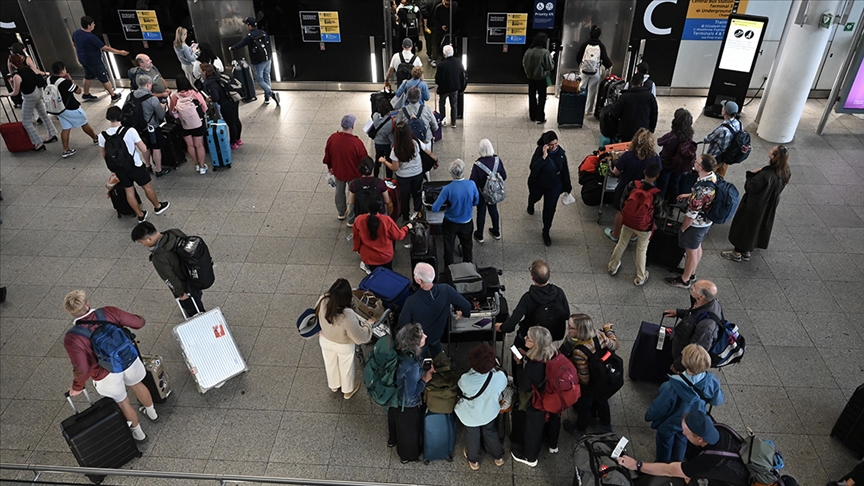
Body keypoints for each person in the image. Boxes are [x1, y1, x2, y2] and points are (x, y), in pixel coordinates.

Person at [63, 289, 158, 442]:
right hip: (128, 359)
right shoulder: (108, 312)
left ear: (71, 313)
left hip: (105, 373)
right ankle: (152, 413)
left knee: (122, 402)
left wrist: (77, 387)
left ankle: (139, 434)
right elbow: (138, 323)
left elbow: (82, 368)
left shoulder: (73, 338)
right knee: (137, 384)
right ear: (87, 304)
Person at [619, 410, 748, 485]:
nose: (682, 433)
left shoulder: (710, 460)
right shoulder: (721, 429)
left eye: (686, 433)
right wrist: (692, 472)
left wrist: (637, 465)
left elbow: (669, 470)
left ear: (699, 439)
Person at [645, 344, 724, 463]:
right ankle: (677, 462)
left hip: (671, 422)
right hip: (692, 422)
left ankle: (662, 465)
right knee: (683, 438)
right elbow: (717, 400)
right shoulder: (712, 380)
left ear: (685, 363)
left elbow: (660, 407)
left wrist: (649, 416)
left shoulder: (672, 386)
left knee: (664, 442)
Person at [99, 106, 170, 223]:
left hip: (120, 169)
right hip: (135, 166)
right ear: (121, 116)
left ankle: (140, 215)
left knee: (129, 191)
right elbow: (143, 148)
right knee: (147, 187)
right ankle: (157, 207)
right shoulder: (130, 131)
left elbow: (104, 155)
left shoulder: (103, 136)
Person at [722, 145, 791, 262]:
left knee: (745, 227)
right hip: (769, 206)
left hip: (754, 205)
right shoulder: (785, 172)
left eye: (771, 150)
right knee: (757, 228)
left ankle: (737, 252)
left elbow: (750, 188)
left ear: (774, 156)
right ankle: (748, 251)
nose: (769, 150)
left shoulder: (766, 174)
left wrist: (752, 175)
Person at [560, 314, 619, 438]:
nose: (567, 329)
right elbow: (615, 345)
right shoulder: (599, 335)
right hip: (604, 377)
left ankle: (580, 430)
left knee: (584, 405)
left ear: (580, 330)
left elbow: (585, 378)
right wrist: (608, 330)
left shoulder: (579, 351)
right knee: (602, 400)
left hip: (591, 384)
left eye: (571, 327)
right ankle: (605, 426)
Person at [665, 154, 718, 289]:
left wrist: (683, 227)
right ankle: (691, 272)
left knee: (690, 252)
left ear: (700, 167)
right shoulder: (712, 177)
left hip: (697, 223)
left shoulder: (701, 190)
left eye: (697, 161)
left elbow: (692, 214)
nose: (694, 162)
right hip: (706, 221)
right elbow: (705, 196)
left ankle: (685, 280)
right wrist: (689, 195)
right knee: (696, 247)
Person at [511, 326, 561, 468]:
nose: (525, 338)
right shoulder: (553, 352)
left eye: (529, 338)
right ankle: (552, 445)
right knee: (552, 419)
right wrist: (527, 354)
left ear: (536, 344)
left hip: (538, 402)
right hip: (553, 395)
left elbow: (523, 385)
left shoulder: (533, 367)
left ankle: (530, 457)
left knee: (533, 428)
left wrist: (519, 364)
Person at [495, 260, 570, 354]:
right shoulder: (559, 292)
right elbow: (566, 315)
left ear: (532, 277)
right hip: (549, 337)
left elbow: (512, 323)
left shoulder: (528, 298)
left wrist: (502, 327)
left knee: (515, 350)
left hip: (528, 337)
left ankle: (517, 363)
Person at [131, 222, 204, 318]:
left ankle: (200, 318)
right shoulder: (174, 232)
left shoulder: (158, 258)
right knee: (197, 296)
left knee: (194, 308)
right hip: (195, 275)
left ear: (149, 239)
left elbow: (169, 278)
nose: (143, 245)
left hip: (184, 286)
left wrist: (181, 294)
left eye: (141, 242)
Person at [316, 278, 374, 399]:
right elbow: (360, 337)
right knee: (346, 367)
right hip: (343, 345)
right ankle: (348, 390)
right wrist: (368, 324)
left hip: (325, 339)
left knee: (330, 363)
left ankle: (333, 385)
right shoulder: (347, 314)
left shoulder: (323, 300)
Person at [607, 161, 663, 286]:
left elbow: (623, 203)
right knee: (641, 249)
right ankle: (640, 277)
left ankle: (612, 266)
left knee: (622, 243)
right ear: (657, 176)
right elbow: (659, 214)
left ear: (644, 172)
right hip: (644, 227)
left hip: (628, 221)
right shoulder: (656, 194)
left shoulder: (633, 184)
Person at [398, 262, 471, 358]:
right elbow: (467, 306)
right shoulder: (446, 290)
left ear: (418, 280)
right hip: (437, 334)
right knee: (436, 351)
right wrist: (462, 314)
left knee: (421, 358)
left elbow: (403, 325)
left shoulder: (411, 301)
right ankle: (438, 361)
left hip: (420, 339)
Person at [454, 343, 507, 470]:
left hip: (470, 416)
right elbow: (502, 385)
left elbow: (461, 389)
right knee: (490, 431)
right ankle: (498, 457)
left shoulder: (465, 379)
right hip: (489, 412)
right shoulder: (499, 377)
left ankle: (474, 460)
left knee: (472, 435)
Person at [604, 128, 662, 242]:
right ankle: (633, 236)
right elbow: (658, 171)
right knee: (640, 212)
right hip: (646, 190)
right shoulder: (655, 158)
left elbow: (616, 171)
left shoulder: (628, 156)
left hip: (626, 187)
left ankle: (615, 234)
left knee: (621, 211)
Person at [392, 323, 435, 463]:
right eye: (422, 336)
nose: (425, 336)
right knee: (409, 432)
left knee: (396, 423)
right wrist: (425, 379)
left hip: (395, 396)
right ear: (415, 344)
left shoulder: (401, 351)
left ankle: (392, 440)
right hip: (407, 405)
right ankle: (407, 456)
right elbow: (411, 395)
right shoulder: (412, 367)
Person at [664, 280, 722, 373]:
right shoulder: (707, 303)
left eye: (694, 287)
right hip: (681, 344)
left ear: (701, 297)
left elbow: (695, 352)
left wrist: (678, 365)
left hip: (681, 355)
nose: (691, 287)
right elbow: (695, 314)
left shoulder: (706, 326)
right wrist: (680, 313)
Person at [527, 131, 572, 246]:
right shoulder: (539, 151)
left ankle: (546, 231)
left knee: (550, 208)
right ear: (546, 144)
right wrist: (543, 157)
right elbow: (533, 168)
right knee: (535, 197)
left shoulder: (561, 154)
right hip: (538, 183)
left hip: (554, 185)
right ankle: (531, 203)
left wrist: (568, 187)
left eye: (556, 144)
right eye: (551, 145)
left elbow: (565, 171)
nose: (554, 147)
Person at [432, 159, 480, 266]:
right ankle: (468, 266)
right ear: (464, 170)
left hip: (450, 223)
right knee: (467, 245)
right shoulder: (471, 184)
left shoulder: (447, 189)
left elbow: (435, 208)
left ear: (451, 173)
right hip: (467, 222)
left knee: (448, 246)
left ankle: (449, 268)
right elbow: (476, 201)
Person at [48, 61, 99, 158]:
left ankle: (66, 150)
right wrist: (71, 80)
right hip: (71, 108)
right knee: (84, 122)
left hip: (59, 109)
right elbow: (79, 91)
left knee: (66, 128)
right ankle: (96, 138)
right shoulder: (65, 83)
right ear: (63, 70)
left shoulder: (49, 79)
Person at [7, 55, 58, 152]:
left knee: (26, 122)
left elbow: (15, 92)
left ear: (11, 63)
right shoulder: (27, 69)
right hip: (37, 93)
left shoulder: (16, 76)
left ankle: (37, 142)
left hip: (29, 97)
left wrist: (6, 94)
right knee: (43, 115)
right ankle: (52, 134)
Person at [323, 114, 367, 223]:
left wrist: (330, 167)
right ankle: (351, 219)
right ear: (352, 126)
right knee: (353, 194)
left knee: (339, 192)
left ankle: (341, 212)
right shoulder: (357, 142)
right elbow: (364, 159)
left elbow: (328, 155)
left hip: (338, 171)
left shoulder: (333, 138)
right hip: (353, 173)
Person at [72, 16, 127, 102]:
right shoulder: (91, 37)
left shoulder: (76, 33)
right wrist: (120, 52)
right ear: (89, 25)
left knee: (88, 76)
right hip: (94, 61)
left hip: (83, 59)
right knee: (104, 78)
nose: (94, 25)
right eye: (93, 24)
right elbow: (105, 48)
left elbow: (74, 44)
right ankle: (113, 96)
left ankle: (86, 94)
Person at [353, 195, 412, 273]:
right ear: (381, 207)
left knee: (374, 274)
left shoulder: (359, 220)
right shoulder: (386, 220)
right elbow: (399, 235)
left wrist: (357, 249)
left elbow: (356, 238)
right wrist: (407, 227)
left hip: (368, 256)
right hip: (385, 256)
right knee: (388, 273)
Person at [380, 122, 425, 223]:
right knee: (417, 194)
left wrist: (384, 161)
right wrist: (435, 159)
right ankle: (418, 213)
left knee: (405, 197)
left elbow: (395, 167)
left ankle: (406, 217)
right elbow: (426, 150)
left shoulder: (395, 150)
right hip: (417, 173)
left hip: (403, 177)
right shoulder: (415, 143)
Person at [229, 17, 279, 106]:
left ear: (249, 26)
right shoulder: (263, 33)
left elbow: (241, 44)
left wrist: (232, 48)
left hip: (258, 61)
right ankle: (267, 98)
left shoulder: (250, 37)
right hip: (267, 59)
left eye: (247, 25)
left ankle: (271, 93)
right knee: (266, 77)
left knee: (260, 79)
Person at [131, 74, 171, 177]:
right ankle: (159, 169)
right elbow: (161, 115)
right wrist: (162, 107)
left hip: (138, 127)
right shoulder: (152, 99)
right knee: (156, 147)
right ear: (149, 84)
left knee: (145, 146)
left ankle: (148, 166)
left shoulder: (131, 95)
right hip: (152, 126)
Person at [168, 76, 209, 174]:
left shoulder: (175, 97)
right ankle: (203, 166)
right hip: (198, 123)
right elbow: (204, 107)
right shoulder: (195, 94)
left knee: (190, 145)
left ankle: (196, 165)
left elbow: (171, 112)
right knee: (199, 145)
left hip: (183, 124)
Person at [470, 139, 507, 242]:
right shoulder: (497, 160)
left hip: (482, 193)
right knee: (493, 210)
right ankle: (496, 231)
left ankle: (480, 234)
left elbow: (473, 182)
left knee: (481, 212)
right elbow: (504, 176)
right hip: (493, 193)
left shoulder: (478, 164)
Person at [657, 108, 696, 202]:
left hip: (667, 163)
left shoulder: (671, 137)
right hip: (680, 164)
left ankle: (660, 201)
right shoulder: (689, 135)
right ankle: (673, 202)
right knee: (675, 182)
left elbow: (659, 142)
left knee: (663, 183)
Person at [201, 63, 242, 150]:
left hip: (226, 104)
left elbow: (216, 97)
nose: (200, 72)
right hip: (233, 99)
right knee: (236, 119)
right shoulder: (219, 75)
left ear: (205, 72)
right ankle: (238, 139)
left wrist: (209, 99)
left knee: (231, 124)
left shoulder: (209, 83)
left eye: (201, 71)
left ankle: (233, 143)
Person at [575, 25, 613, 116]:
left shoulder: (585, 44)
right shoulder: (601, 46)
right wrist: (609, 65)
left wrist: (581, 65)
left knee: (581, 88)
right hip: (595, 72)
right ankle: (588, 110)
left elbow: (578, 57)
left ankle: (578, 107)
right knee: (592, 91)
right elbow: (605, 59)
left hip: (584, 71)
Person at [610, 73, 658, 143]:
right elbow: (654, 113)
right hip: (643, 130)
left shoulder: (625, 97)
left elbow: (615, 113)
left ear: (631, 83)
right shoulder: (650, 96)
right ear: (642, 84)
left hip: (626, 130)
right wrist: (651, 129)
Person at [348, 156, 393, 226]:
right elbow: (386, 201)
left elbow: (351, 201)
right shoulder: (380, 183)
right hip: (379, 214)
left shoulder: (354, 183)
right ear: (373, 168)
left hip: (361, 214)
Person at [703, 100, 742, 178]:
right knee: (720, 176)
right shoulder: (739, 124)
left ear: (725, 111)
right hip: (727, 156)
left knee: (708, 176)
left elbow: (708, 139)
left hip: (715, 157)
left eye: (723, 107)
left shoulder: (722, 130)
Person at [523, 33, 553, 124]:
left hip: (531, 77)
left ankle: (532, 115)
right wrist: (552, 59)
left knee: (532, 96)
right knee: (542, 97)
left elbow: (524, 63)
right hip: (541, 78)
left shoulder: (529, 51)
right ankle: (540, 117)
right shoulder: (545, 52)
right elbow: (549, 66)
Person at [396, 86, 437, 151]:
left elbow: (397, 126)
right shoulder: (426, 109)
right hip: (425, 141)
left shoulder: (402, 111)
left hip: (409, 142)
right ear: (419, 97)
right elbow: (435, 126)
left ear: (408, 97)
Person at [435, 44, 465, 128]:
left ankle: (443, 119)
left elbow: (438, 78)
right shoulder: (458, 61)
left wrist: (438, 85)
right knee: (454, 104)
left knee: (442, 103)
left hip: (444, 88)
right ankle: (453, 122)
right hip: (454, 87)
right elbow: (461, 73)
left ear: (444, 54)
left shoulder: (441, 65)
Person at [371, 98, 398, 178]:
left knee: (377, 159)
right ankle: (388, 178)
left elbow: (375, 114)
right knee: (388, 161)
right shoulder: (392, 121)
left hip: (378, 143)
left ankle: (375, 176)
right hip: (387, 144)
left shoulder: (375, 117)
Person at [428, 0, 458, 66]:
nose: (448, 3)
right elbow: (435, 20)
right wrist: (441, 26)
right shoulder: (438, 8)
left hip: (452, 30)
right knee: (439, 44)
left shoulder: (454, 7)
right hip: (440, 31)